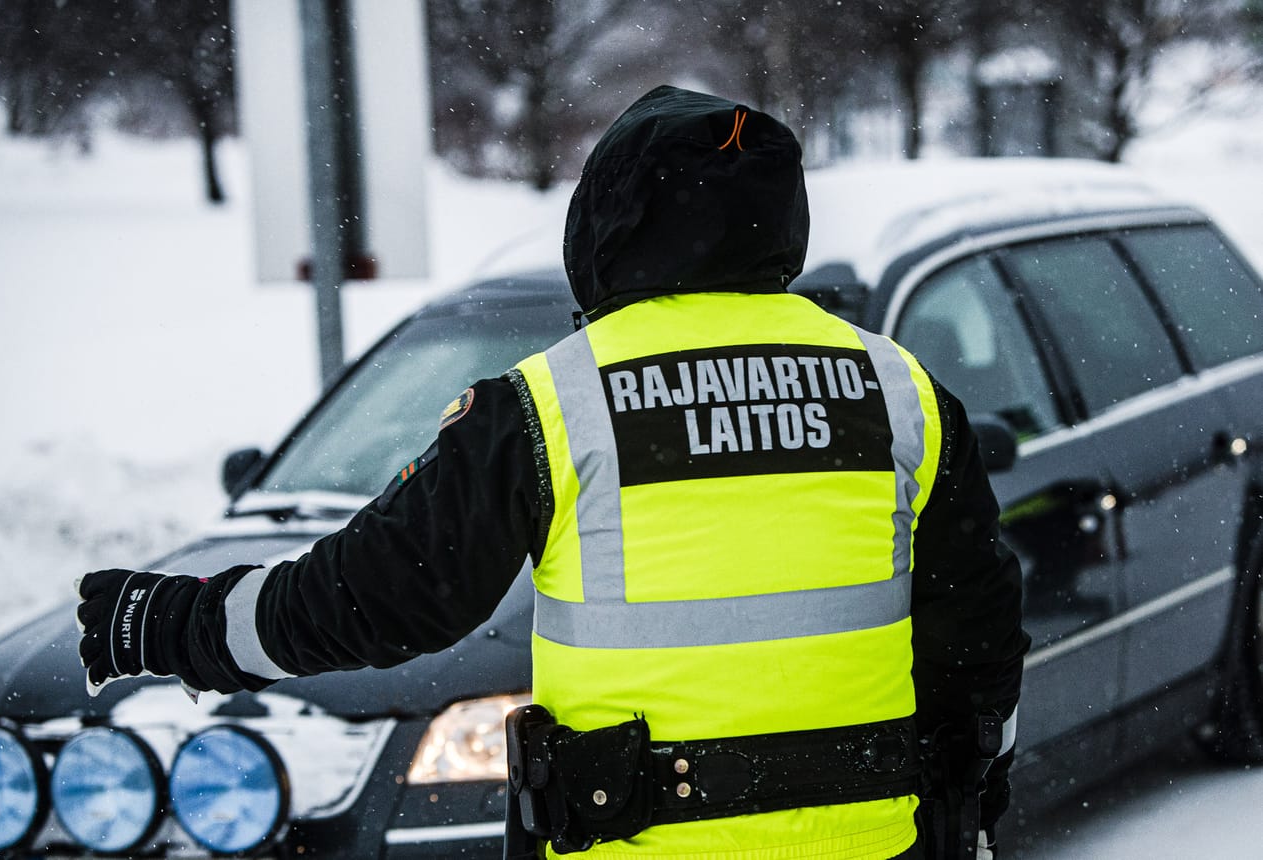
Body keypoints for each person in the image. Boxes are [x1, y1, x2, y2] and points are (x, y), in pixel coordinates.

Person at [77, 86, 1028, 860]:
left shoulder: (549, 405)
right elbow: (976, 635)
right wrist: (971, 791)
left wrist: (178, 624)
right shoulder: (897, 389)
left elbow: (380, 596)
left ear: (607, 223)